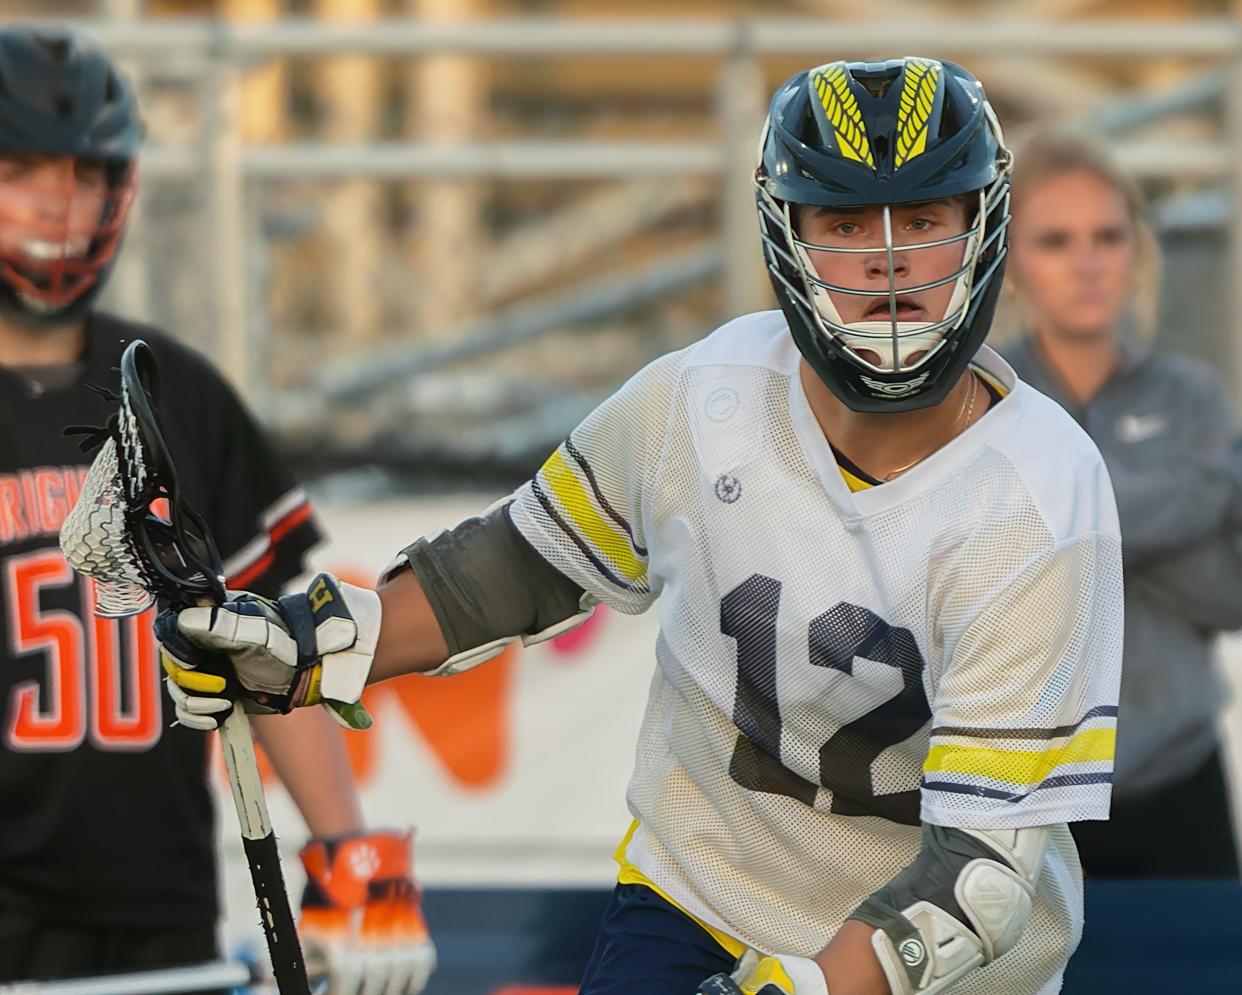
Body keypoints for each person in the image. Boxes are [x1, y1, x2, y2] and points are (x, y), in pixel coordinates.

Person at [162, 58, 1123, 995]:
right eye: (843, 223)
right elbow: (521, 564)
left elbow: (980, 880)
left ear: (981, 224)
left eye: (922, 219)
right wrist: (316, 646)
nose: (888, 260)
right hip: (704, 897)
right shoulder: (699, 402)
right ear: (787, 236)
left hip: (938, 968)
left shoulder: (1041, 500)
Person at [0, 27, 435, 992]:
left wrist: (351, 855)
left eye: (84, 172)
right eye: (20, 168)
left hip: (161, 913)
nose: (57, 204)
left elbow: (267, 642)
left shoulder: (168, 389)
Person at [1001, 129, 1242, 878]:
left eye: (1108, 236)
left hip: (1180, 781)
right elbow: (978, 578)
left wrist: (1063, 528)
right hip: (1020, 797)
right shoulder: (980, 402)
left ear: (1136, 249)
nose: (1088, 261)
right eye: (1056, 241)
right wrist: (1175, 511)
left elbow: (1230, 592)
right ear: (1009, 264)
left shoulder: (1193, 394)